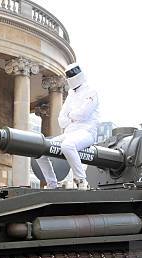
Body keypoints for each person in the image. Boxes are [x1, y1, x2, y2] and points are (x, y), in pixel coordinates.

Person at [36, 62, 99, 190]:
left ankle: (81, 180)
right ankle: (52, 184)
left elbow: (83, 114)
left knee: (68, 145)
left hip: (86, 132)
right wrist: (72, 116)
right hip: (69, 133)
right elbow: (61, 120)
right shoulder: (71, 95)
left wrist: (70, 116)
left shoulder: (91, 92)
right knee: (40, 152)